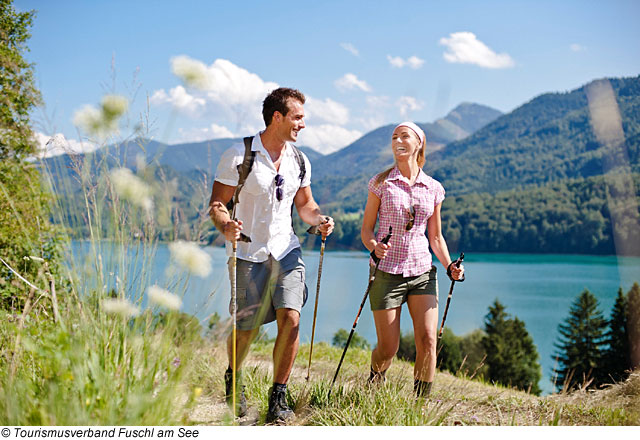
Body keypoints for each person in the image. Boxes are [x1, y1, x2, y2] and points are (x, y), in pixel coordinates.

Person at [209, 87, 334, 423]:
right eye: (297, 117)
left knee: (291, 317)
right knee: (246, 329)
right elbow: (217, 204)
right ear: (277, 117)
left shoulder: (299, 160)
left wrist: (320, 219)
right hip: (248, 252)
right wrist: (225, 226)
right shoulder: (239, 155)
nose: (302, 125)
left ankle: (278, 397)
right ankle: (234, 378)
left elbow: (305, 205)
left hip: (287, 249)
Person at [360, 121, 464, 398]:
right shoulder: (381, 183)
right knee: (388, 348)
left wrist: (449, 266)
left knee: (428, 340)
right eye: (394, 137)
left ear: (419, 143)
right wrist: (373, 247)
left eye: (404, 135)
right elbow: (367, 229)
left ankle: (419, 408)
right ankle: (374, 380)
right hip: (386, 273)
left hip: (422, 273)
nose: (397, 140)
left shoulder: (433, 188)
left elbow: (436, 237)